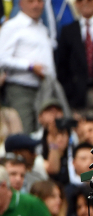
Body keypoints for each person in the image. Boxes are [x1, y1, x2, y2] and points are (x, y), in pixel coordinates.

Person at [0, 0, 55, 131]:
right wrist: (30, 66)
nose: (36, 5)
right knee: (24, 132)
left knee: (44, 132)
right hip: (21, 90)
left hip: (44, 89)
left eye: (39, 1)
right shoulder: (12, 26)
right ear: (20, 3)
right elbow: (2, 58)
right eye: (31, 1)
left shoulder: (42, 28)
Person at [54, 0, 93, 117]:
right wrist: (70, 93)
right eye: (80, 0)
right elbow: (62, 67)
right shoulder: (68, 31)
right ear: (75, 4)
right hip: (78, 98)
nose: (85, 2)